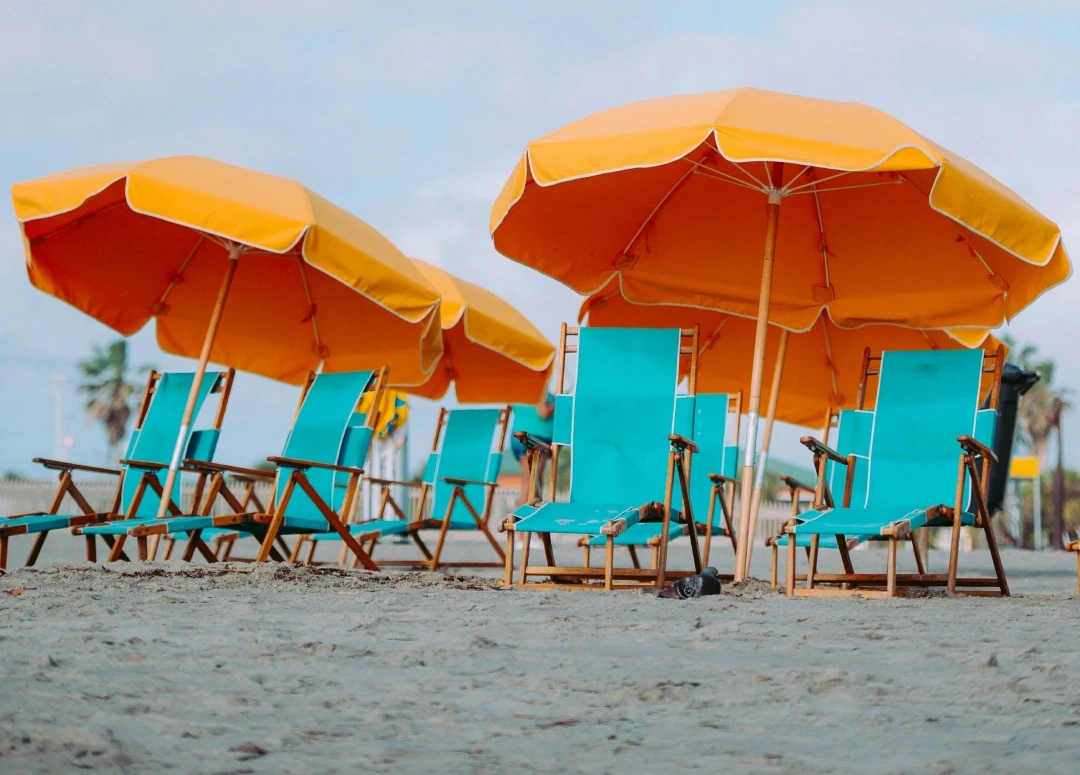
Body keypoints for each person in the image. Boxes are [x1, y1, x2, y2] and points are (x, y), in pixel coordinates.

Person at [510, 391, 555, 506]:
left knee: (533, 482)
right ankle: (521, 520)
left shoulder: (522, 388)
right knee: (532, 484)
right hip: (533, 439)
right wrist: (559, 401)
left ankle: (526, 517)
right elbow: (544, 412)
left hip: (526, 436)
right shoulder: (537, 389)